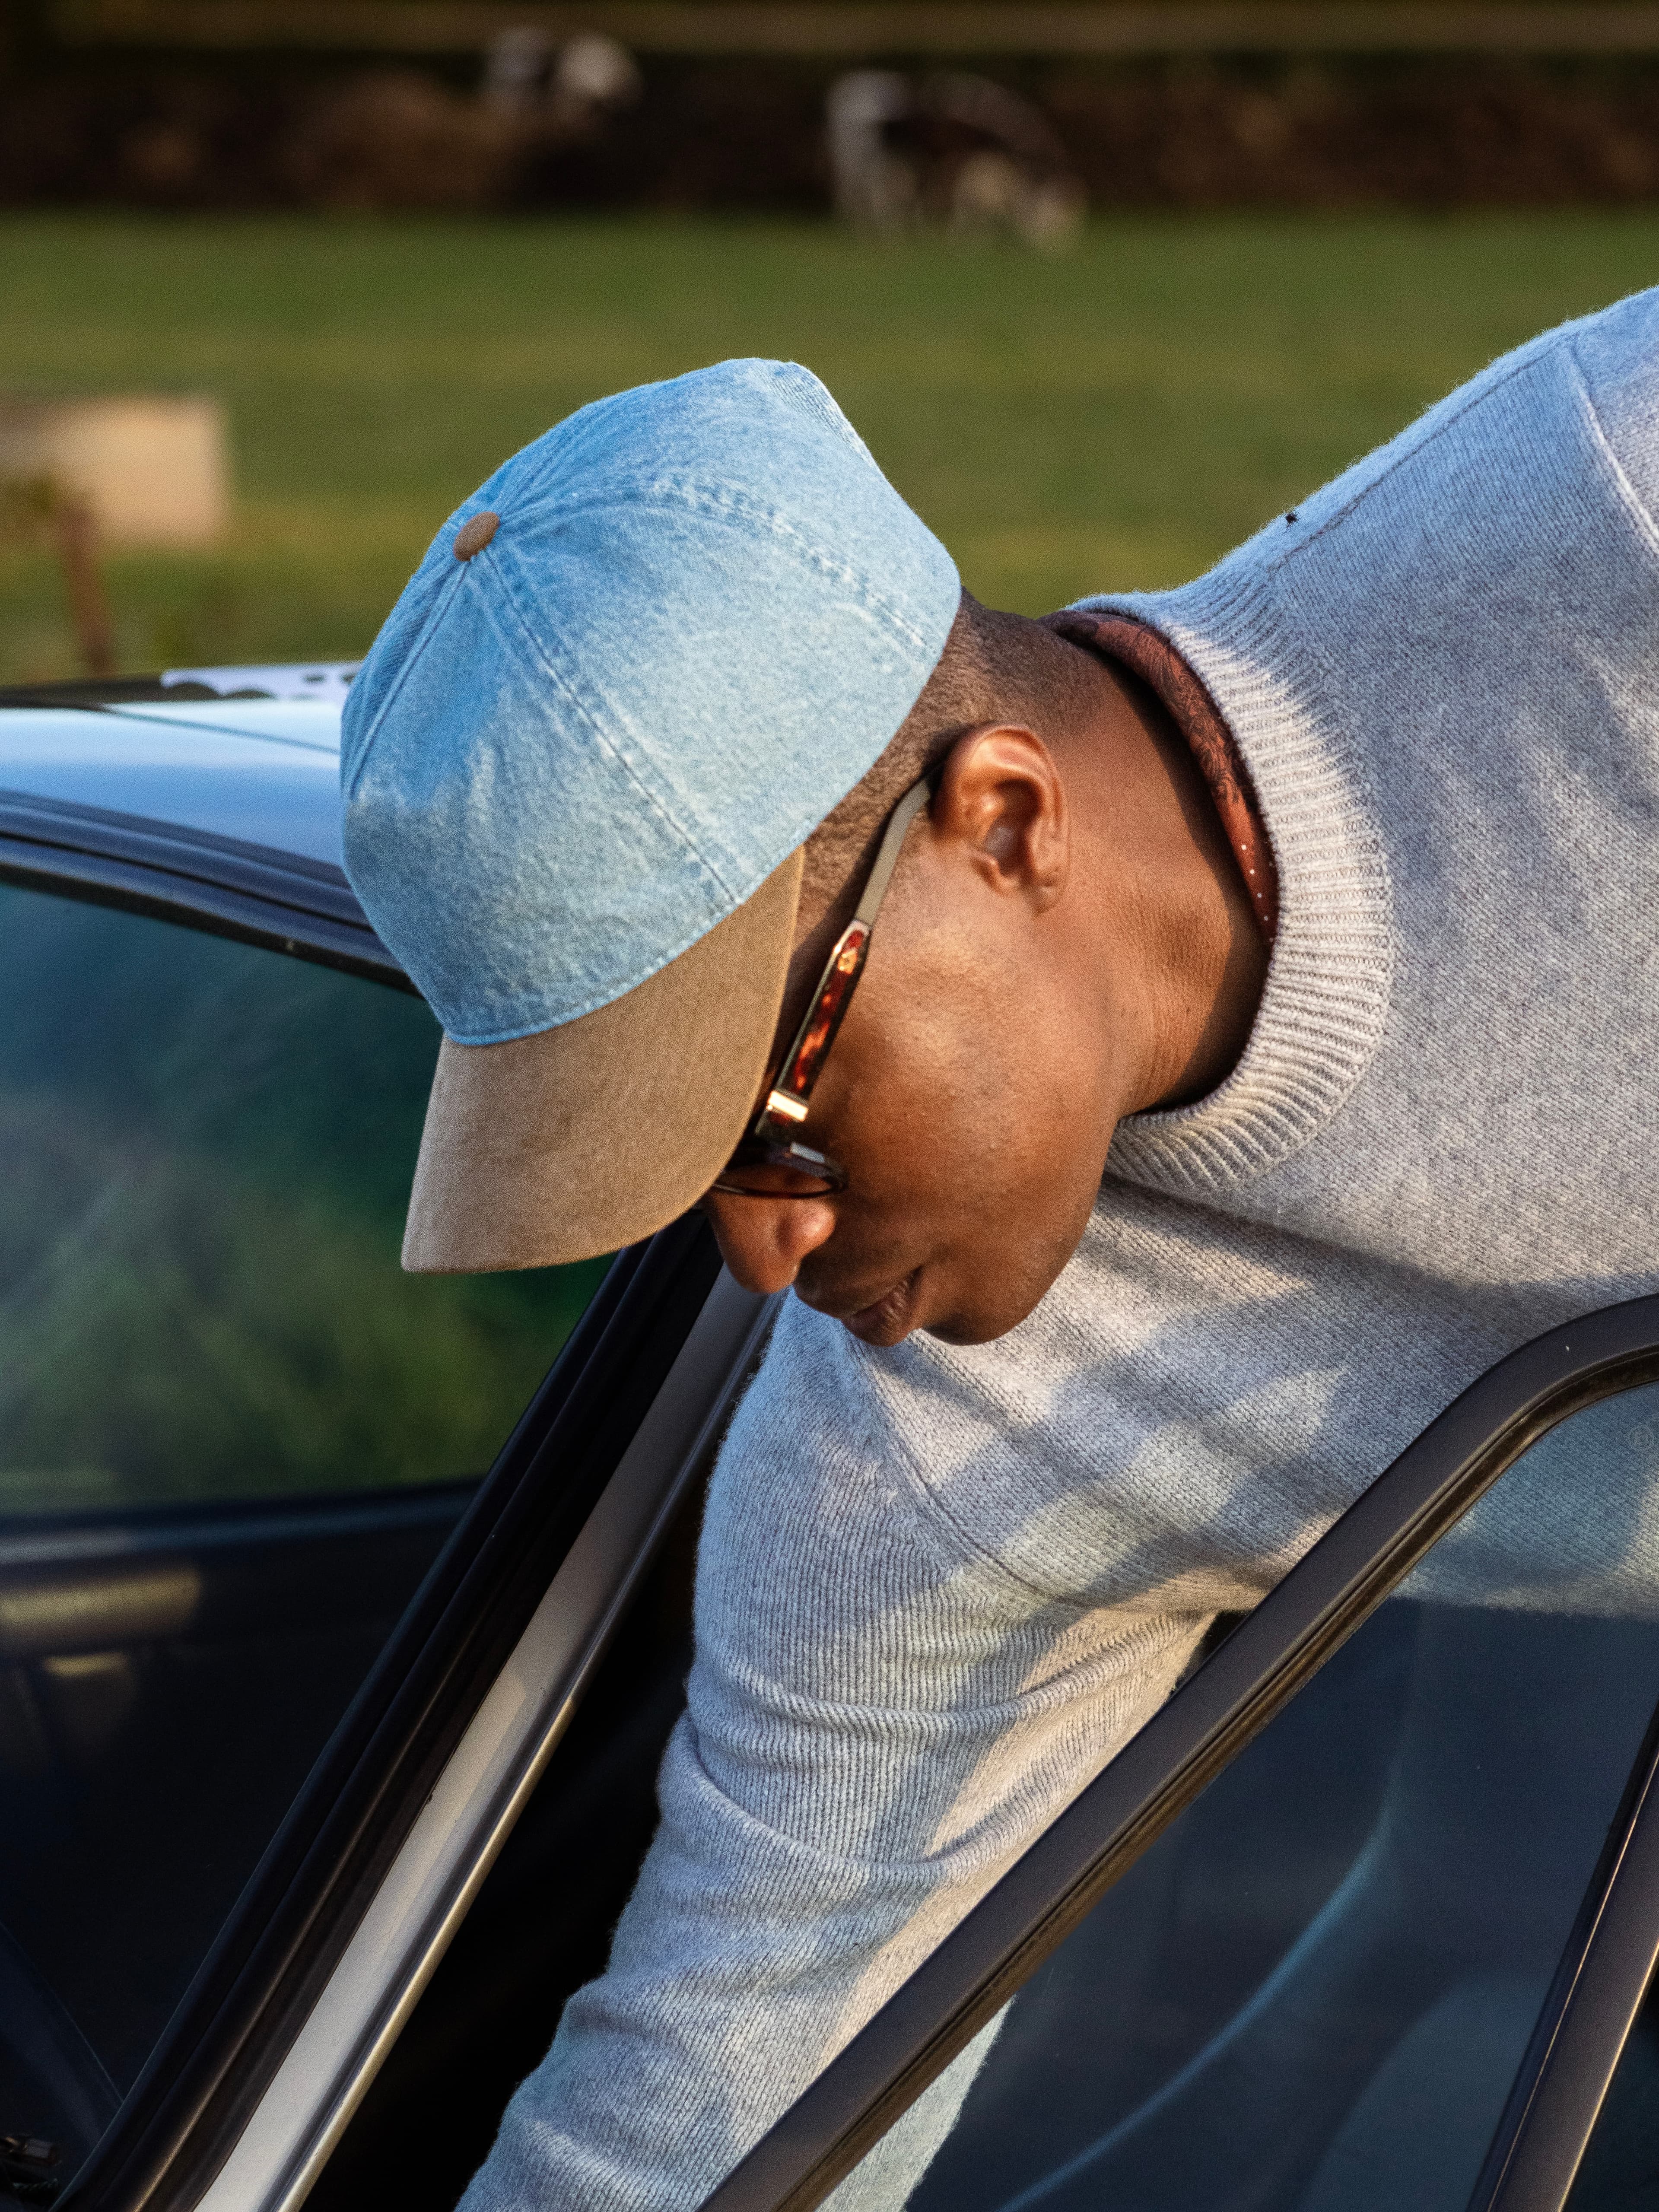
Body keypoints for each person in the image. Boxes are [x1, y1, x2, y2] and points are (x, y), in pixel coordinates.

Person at [340, 299, 1659, 2209]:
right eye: (679, 1184)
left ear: (1003, 818)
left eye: (766, 1114)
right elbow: (698, 2149)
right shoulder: (918, 1442)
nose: (768, 1248)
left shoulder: (1614, 528)